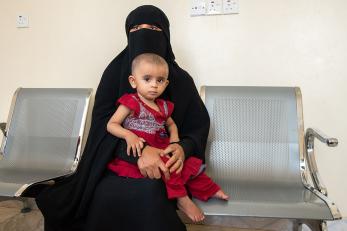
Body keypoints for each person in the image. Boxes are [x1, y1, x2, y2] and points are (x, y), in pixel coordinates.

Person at [36, 5, 211, 231]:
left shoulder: (180, 80)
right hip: (116, 160)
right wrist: (140, 151)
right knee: (103, 194)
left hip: (166, 166)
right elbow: (102, 128)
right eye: (136, 28)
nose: (144, 33)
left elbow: (197, 126)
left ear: (166, 35)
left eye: (153, 28)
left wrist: (183, 148)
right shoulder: (113, 73)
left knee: (152, 189)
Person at [107, 53, 229, 222]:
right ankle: (181, 198)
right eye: (147, 79)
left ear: (166, 83)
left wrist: (175, 138)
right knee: (168, 167)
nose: (154, 85)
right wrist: (129, 135)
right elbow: (111, 124)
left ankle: (209, 189)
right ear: (133, 81)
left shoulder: (163, 106)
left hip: (161, 146)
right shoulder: (131, 102)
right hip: (141, 151)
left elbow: (171, 125)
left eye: (160, 80)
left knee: (187, 164)